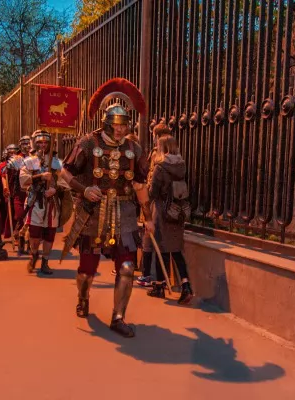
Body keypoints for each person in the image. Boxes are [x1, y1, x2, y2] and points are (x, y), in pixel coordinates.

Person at [60, 77, 154, 338]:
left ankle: (118, 317)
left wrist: (148, 217)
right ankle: (83, 296)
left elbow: (139, 185)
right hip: (94, 212)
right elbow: (64, 174)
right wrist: (83, 189)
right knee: (87, 270)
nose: (121, 131)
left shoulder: (134, 148)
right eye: (116, 126)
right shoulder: (88, 143)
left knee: (126, 267)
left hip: (124, 213)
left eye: (124, 125)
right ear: (106, 124)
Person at [146, 134, 194, 304]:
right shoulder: (181, 166)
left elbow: (152, 193)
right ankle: (186, 285)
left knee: (162, 250)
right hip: (177, 212)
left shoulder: (160, 167)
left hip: (162, 212)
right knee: (176, 250)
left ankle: (159, 287)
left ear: (162, 147)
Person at [20, 130, 65, 274]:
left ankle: (45, 261)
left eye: (46, 142)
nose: (43, 145)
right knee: (34, 234)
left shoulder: (57, 162)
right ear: (35, 143)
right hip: (36, 201)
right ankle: (34, 255)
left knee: (49, 234)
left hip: (52, 203)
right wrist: (40, 176)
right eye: (40, 142)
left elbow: (65, 182)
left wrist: (55, 189)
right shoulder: (29, 161)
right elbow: (23, 181)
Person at [136, 123, 174, 287]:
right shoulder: (174, 155)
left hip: (153, 203)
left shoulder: (157, 155)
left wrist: (145, 194)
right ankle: (158, 277)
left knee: (150, 238)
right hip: (167, 203)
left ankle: (151, 276)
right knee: (158, 240)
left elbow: (151, 178)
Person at [4, 137, 32, 256]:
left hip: (33, 193)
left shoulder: (36, 158)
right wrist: (7, 189)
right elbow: (8, 176)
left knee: (32, 221)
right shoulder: (15, 159)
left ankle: (30, 245)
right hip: (19, 193)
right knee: (20, 216)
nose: (26, 146)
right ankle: (20, 238)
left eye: (28, 143)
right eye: (24, 143)